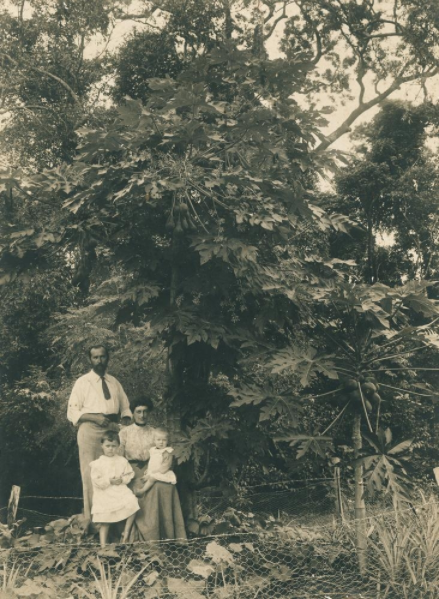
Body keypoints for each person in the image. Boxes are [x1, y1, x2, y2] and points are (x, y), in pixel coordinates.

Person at [67, 345, 132, 522]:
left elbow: (125, 407)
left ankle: (115, 521)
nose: (99, 361)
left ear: (107, 358)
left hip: (111, 430)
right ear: (90, 360)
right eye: (95, 357)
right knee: (92, 475)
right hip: (89, 431)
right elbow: (72, 411)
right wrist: (95, 418)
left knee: (115, 471)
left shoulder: (114, 382)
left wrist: (125, 421)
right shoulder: (83, 382)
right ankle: (93, 522)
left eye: (102, 357)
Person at [118, 399, 186, 541]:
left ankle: (165, 535)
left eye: (145, 412)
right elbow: (119, 458)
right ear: (133, 413)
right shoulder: (124, 432)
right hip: (131, 469)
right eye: (138, 411)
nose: (142, 415)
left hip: (151, 468)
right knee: (140, 490)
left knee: (165, 487)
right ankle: (141, 536)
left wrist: (153, 471)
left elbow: (165, 456)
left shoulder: (155, 432)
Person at [90, 431, 139, 546]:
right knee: (105, 520)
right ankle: (103, 546)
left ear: (118, 446)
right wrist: (109, 481)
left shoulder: (122, 461)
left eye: (113, 446)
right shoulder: (97, 463)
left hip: (119, 490)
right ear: (102, 445)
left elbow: (129, 474)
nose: (110, 449)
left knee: (133, 503)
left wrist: (122, 480)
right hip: (105, 492)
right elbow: (96, 481)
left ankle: (125, 534)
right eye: (107, 446)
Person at [135, 428, 177, 496]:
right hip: (153, 471)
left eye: (164, 440)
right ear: (154, 440)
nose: (161, 442)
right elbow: (152, 462)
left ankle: (142, 491)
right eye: (158, 440)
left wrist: (151, 473)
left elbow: (165, 467)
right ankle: (143, 496)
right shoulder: (153, 450)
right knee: (142, 478)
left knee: (152, 479)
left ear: (167, 441)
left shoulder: (167, 451)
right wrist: (148, 470)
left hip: (163, 472)